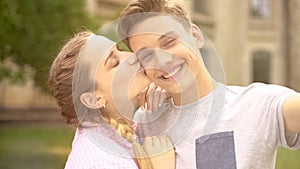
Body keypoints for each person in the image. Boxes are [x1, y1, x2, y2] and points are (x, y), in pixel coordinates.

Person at [118, 0, 300, 168]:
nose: (163, 60)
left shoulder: (258, 104)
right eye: (148, 56)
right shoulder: (145, 122)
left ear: (196, 36)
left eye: (169, 42)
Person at [48, 30, 175, 169]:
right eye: (115, 62)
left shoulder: (116, 130)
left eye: (120, 49)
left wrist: (171, 88)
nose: (132, 56)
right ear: (93, 100)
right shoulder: (105, 163)